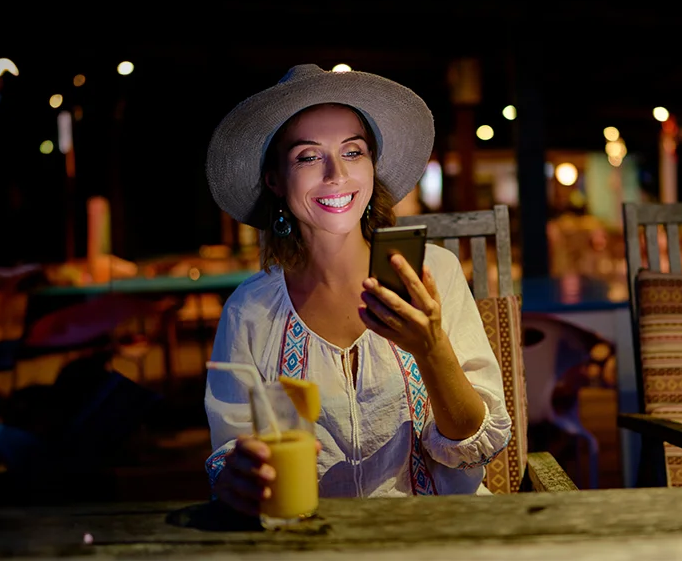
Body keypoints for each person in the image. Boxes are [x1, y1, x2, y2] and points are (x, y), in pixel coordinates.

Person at [202, 65, 511, 515]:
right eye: (308, 157)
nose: (336, 174)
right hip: (311, 541)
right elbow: (231, 456)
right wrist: (241, 478)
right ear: (273, 179)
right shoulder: (250, 310)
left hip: (439, 533)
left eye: (353, 152)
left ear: (372, 165)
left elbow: (477, 445)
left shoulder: (431, 274)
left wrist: (431, 350)